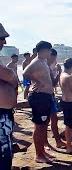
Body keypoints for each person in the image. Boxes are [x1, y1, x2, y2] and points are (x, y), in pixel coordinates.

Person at [23, 41, 55, 163]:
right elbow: (25, 72)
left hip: (45, 96)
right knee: (39, 126)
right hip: (39, 97)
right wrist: (38, 81)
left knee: (44, 125)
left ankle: (42, 152)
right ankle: (38, 155)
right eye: (49, 50)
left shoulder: (44, 61)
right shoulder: (36, 61)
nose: (50, 52)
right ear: (43, 50)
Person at [0, 23, 18, 169]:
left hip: (4, 114)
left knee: (5, 157)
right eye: (1, 38)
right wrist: (11, 77)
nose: (4, 42)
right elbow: (9, 75)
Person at [45, 49, 66, 150]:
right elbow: (53, 83)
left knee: (54, 118)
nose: (54, 60)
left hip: (50, 95)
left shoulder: (49, 66)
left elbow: (54, 84)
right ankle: (45, 143)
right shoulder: (44, 66)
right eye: (53, 58)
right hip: (43, 96)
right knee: (45, 121)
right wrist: (59, 73)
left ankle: (58, 141)